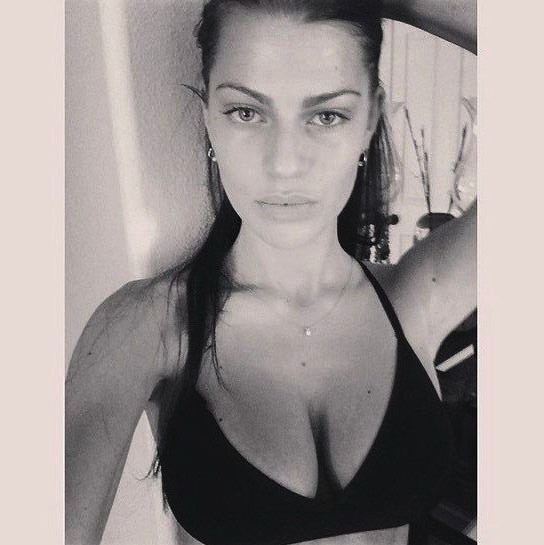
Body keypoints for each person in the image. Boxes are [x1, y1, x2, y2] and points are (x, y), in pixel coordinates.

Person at [66, 0, 477, 543]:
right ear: (208, 115)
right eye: (246, 112)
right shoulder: (148, 327)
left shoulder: (416, 297)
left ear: (371, 120)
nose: (284, 164)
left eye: (327, 115)